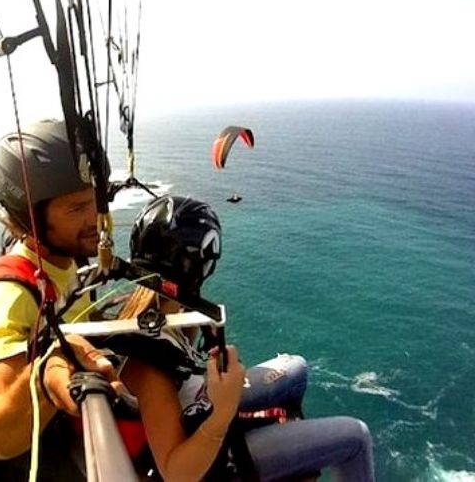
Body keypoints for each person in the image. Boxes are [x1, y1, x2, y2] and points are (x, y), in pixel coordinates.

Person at [109, 195, 375, 481]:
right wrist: (222, 413)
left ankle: (295, 450)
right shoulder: (150, 365)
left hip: (205, 408)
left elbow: (180, 367)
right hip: (219, 454)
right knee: (356, 437)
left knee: (296, 367)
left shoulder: (154, 314)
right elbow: (175, 473)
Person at [0, 119, 114, 480]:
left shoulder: (66, 258)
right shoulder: (11, 295)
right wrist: (45, 373)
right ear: (31, 219)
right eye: (76, 209)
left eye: (95, 202)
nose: (95, 218)